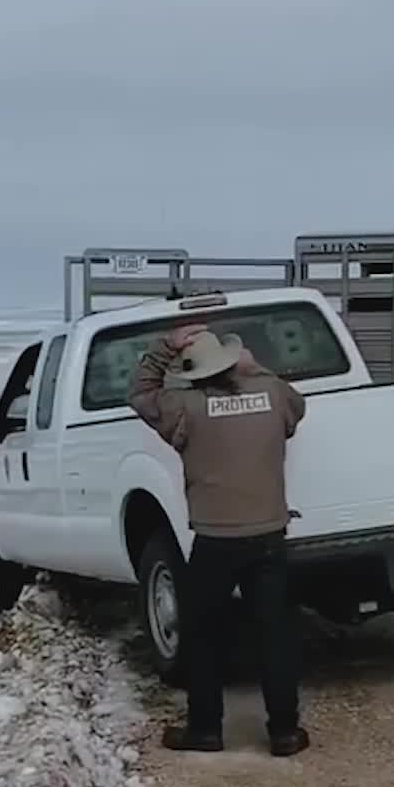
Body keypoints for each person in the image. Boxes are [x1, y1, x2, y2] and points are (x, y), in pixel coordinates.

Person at [129, 323, 310, 757]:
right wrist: (252, 365)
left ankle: (206, 730)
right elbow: (296, 405)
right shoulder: (273, 396)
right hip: (268, 533)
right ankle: (284, 731)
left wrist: (166, 347)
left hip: (214, 540)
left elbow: (140, 392)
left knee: (204, 635)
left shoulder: (183, 408)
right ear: (233, 364)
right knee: (274, 634)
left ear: (194, 373)